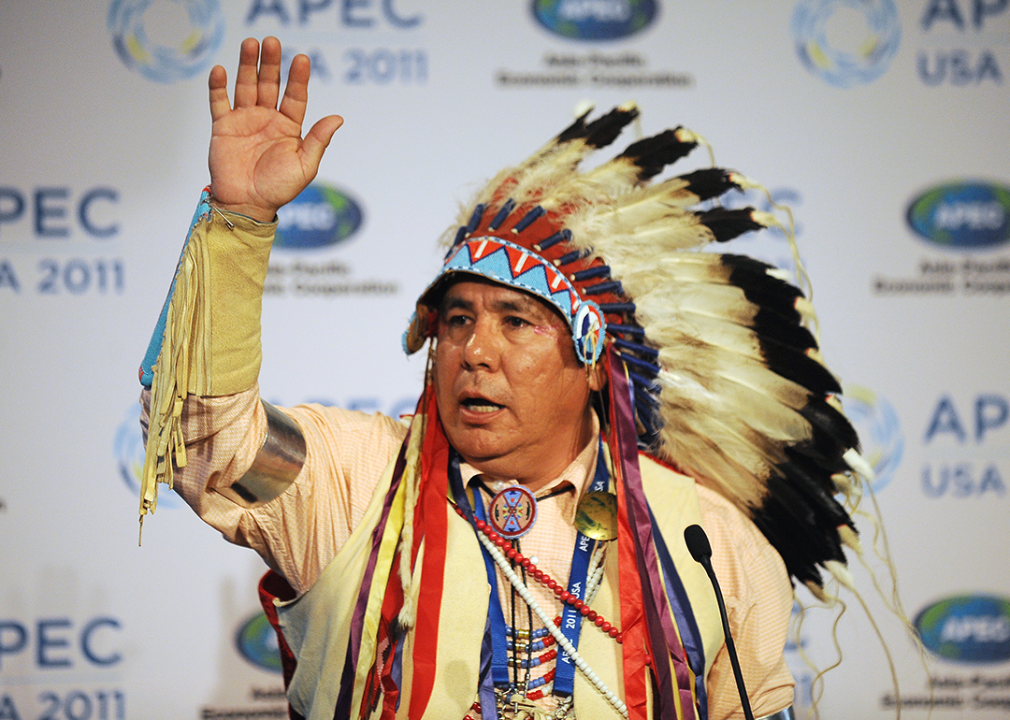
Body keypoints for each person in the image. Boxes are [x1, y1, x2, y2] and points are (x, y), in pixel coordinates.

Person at [139, 36, 870, 720]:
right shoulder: (352, 480)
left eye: (516, 322)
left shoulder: (707, 541)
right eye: (457, 320)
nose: (475, 350)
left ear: (593, 366)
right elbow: (205, 438)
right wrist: (237, 223)